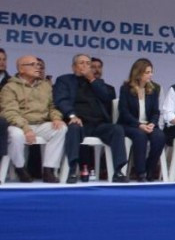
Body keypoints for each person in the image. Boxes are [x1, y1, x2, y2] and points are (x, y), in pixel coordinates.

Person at [53, 53, 129, 183]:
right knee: (73, 128)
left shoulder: (98, 83)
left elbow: (107, 97)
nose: (85, 66)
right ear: (73, 67)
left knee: (117, 129)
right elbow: (61, 100)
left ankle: (118, 171)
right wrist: (72, 115)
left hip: (98, 124)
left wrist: (92, 79)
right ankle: (72, 170)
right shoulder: (64, 80)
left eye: (88, 63)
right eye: (81, 63)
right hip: (78, 121)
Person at [1, 55, 67, 182]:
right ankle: (20, 168)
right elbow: (10, 112)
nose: (38, 67)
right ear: (21, 69)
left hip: (41, 124)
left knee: (61, 129)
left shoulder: (45, 86)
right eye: (33, 65)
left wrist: (56, 118)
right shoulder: (10, 87)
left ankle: (48, 169)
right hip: (19, 125)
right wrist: (25, 128)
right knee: (16, 135)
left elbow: (53, 106)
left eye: (38, 65)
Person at [117, 58, 166, 181]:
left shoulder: (153, 89)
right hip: (131, 125)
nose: (151, 75)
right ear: (138, 73)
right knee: (140, 135)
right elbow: (124, 112)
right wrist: (139, 124)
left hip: (148, 124)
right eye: (147, 72)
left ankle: (150, 169)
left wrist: (152, 124)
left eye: (151, 72)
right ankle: (140, 172)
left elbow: (156, 111)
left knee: (159, 136)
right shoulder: (126, 89)